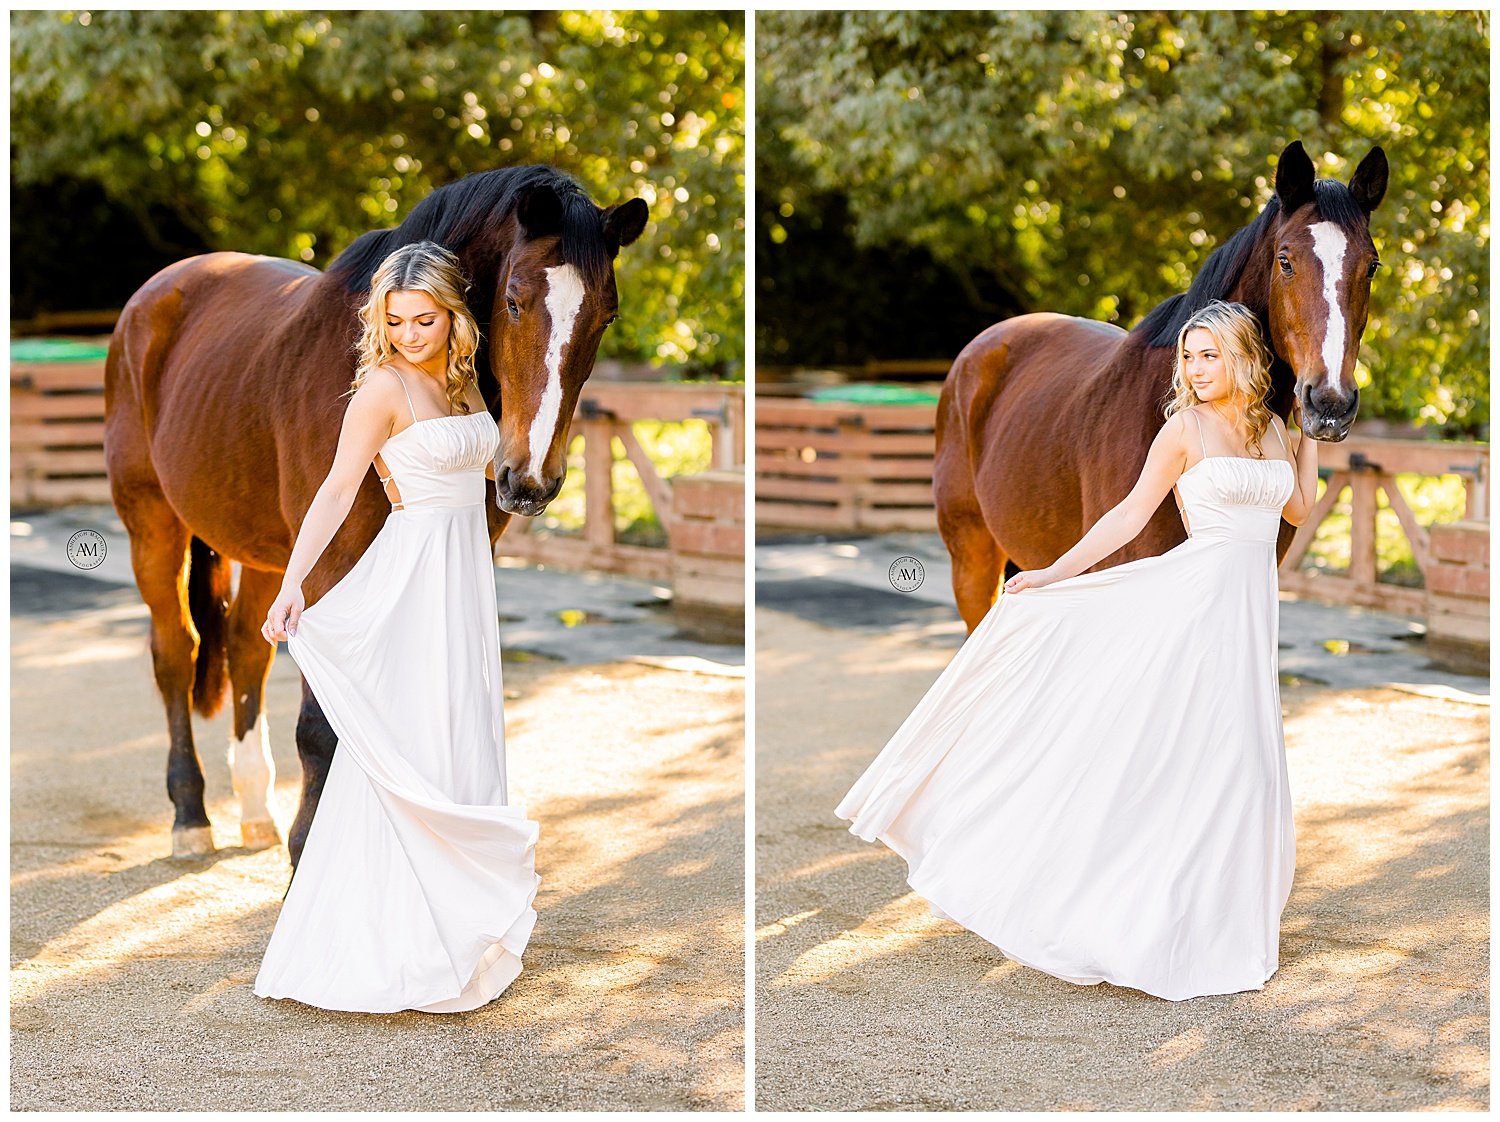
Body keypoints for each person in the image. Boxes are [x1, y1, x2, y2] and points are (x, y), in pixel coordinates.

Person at [836, 299, 1320, 1001]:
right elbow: (1129, 512)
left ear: (1244, 357)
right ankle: (1127, 907)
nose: (1196, 368)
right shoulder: (1182, 429)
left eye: (1209, 354)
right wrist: (1054, 571)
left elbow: (1298, 507)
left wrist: (1308, 440)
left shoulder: (1271, 430)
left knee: (1242, 760)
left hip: (1247, 617)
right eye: (1189, 356)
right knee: (1179, 751)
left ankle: (1227, 918)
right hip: (1190, 606)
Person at [254, 240, 539, 1013]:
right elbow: (337, 489)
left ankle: (458, 920)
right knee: (410, 734)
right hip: (413, 571)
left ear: (453, 318)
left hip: (465, 575)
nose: (412, 334)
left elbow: (487, 467)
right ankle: (396, 934)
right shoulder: (381, 387)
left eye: (425, 319)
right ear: (381, 321)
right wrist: (289, 585)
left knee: (460, 724)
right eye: (397, 320)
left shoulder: (461, 382)